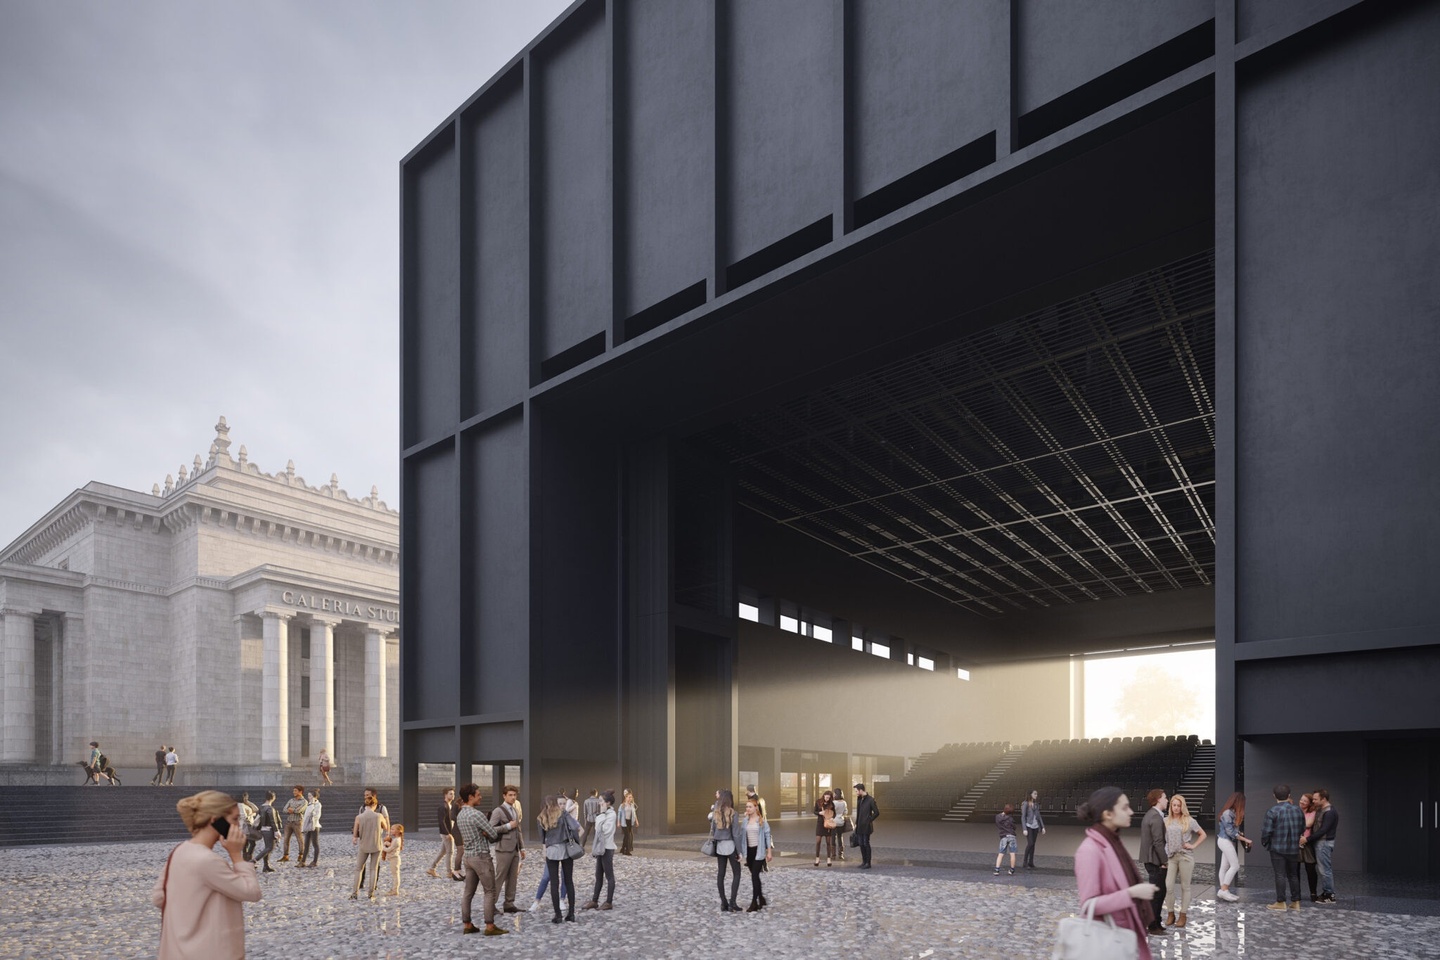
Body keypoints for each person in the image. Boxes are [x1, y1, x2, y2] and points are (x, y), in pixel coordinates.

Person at [152, 790, 262, 960]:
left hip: (178, 950)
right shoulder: (208, 861)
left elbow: (159, 897)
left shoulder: (179, 851)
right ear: (215, 821)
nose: (238, 826)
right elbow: (251, 892)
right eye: (234, 819)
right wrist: (236, 856)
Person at [1072, 786, 1157, 960]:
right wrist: (1132, 893)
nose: (1131, 812)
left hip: (1125, 936)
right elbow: (1088, 905)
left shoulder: (1112, 843)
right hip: (1109, 943)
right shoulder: (1090, 850)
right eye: (1125, 807)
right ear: (1108, 814)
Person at [458, 781, 512, 934]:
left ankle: (467, 925)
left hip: (468, 857)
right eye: (478, 795)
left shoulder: (461, 814)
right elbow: (493, 834)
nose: (481, 797)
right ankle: (490, 926)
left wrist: (484, 833)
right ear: (470, 797)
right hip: (481, 857)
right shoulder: (477, 814)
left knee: (468, 893)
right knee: (490, 891)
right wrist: (489, 832)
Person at [1162, 793, 1206, 927]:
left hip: (1185, 856)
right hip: (1171, 857)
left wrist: (1193, 845)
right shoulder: (1165, 820)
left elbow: (1202, 834)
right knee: (1168, 886)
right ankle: (1170, 913)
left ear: (1182, 806)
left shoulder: (1189, 820)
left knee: (1185, 887)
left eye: (1178, 805)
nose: (1176, 808)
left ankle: (1183, 915)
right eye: (1174, 805)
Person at [538, 792, 582, 923]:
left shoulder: (541, 817)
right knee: (568, 881)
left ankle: (557, 915)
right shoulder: (563, 814)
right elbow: (575, 826)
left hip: (551, 851)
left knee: (554, 883)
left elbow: (542, 838)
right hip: (566, 850)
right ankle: (571, 913)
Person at [1260, 783, 1304, 911]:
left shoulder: (1272, 811)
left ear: (1274, 796)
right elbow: (1302, 828)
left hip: (1277, 848)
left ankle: (1281, 902)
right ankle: (1296, 902)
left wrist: (1266, 844)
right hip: (1293, 848)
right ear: (1289, 795)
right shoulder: (1297, 810)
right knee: (1293, 875)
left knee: (1280, 875)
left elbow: (1266, 832)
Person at [490, 784, 527, 913]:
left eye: (514, 795)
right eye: (510, 795)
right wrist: (507, 826)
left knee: (513, 878)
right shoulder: (498, 811)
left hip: (515, 848)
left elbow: (519, 830)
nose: (512, 797)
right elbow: (490, 829)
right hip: (503, 849)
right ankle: (491, 904)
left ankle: (509, 903)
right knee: (500, 877)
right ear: (504, 796)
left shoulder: (515, 810)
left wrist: (522, 848)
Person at [710, 788, 746, 912]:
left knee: (721, 874)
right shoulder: (733, 813)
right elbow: (736, 834)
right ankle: (732, 903)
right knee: (737, 873)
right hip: (731, 846)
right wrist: (740, 852)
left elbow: (714, 831)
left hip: (720, 846)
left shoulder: (716, 813)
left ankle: (723, 903)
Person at [1139, 788, 1169, 935]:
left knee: (1160, 892)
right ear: (1158, 799)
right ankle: (1152, 925)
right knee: (1157, 894)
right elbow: (1158, 842)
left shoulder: (1151, 814)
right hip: (1155, 861)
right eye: (1165, 798)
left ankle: (1156, 921)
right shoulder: (1156, 817)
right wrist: (1165, 861)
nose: (1167, 800)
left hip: (1152, 859)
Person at [350, 791, 389, 901]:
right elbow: (385, 827)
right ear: (375, 805)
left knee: (358, 868)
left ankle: (354, 893)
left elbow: (355, 833)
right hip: (376, 844)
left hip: (364, 845)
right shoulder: (379, 815)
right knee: (373, 868)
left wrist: (355, 839)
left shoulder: (359, 817)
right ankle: (371, 893)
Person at [1300, 788, 1338, 903]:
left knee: (1325, 870)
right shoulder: (1323, 810)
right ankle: (1327, 892)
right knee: (1324, 869)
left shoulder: (1329, 812)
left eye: (1316, 799)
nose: (1314, 801)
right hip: (1321, 843)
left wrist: (1307, 839)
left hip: (1324, 843)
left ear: (1324, 799)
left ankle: (1329, 895)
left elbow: (1323, 830)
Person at [583, 789, 617, 911]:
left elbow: (604, 831)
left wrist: (602, 815)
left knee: (609, 876)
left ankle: (609, 902)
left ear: (608, 803)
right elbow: (598, 829)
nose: (599, 803)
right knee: (598, 875)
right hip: (600, 848)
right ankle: (595, 900)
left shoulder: (611, 815)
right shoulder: (603, 814)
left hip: (607, 849)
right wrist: (601, 817)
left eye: (601, 801)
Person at [1215, 792, 1251, 902]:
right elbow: (1230, 832)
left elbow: (1233, 831)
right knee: (1235, 866)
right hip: (1225, 841)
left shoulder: (1232, 813)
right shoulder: (1227, 813)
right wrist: (1245, 839)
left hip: (1227, 841)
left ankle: (1224, 891)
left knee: (1224, 867)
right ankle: (1224, 890)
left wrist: (1240, 834)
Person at [740, 797, 773, 912]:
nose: (747, 809)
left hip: (758, 852)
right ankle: (761, 898)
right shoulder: (745, 821)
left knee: (754, 876)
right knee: (755, 877)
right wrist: (740, 853)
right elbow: (742, 837)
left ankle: (754, 902)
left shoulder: (762, 821)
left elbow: (767, 836)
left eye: (750, 806)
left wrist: (769, 852)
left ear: (755, 808)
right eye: (746, 807)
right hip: (749, 852)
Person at [429, 788, 462, 880]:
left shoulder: (449, 805)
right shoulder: (442, 806)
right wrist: (447, 833)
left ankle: (432, 868)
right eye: (450, 794)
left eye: (453, 794)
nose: (452, 796)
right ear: (445, 795)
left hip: (448, 832)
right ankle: (449, 872)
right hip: (446, 833)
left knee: (443, 851)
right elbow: (441, 821)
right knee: (450, 852)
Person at [1298, 793, 1320, 901]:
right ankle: (1296, 894)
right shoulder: (1296, 811)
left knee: (1310, 869)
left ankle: (1313, 893)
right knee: (1294, 870)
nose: (1301, 802)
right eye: (1301, 800)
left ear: (1309, 803)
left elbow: (1309, 824)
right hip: (1295, 843)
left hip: (1306, 843)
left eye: (1305, 801)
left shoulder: (1312, 812)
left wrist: (1295, 823)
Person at [853, 783, 879, 869]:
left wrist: (869, 820)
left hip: (866, 826)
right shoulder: (859, 799)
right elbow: (859, 813)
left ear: (861, 790)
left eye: (856, 791)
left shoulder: (871, 800)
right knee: (861, 844)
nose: (856, 793)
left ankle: (868, 863)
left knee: (865, 843)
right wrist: (856, 824)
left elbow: (876, 812)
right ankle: (864, 862)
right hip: (859, 825)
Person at [279, 785, 308, 863]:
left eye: (295, 791)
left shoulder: (304, 801)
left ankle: (301, 855)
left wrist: (292, 810)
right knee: (286, 839)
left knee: (300, 839)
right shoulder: (291, 800)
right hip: (289, 822)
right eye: (293, 791)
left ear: (300, 791)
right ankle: (285, 856)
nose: (294, 792)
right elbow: (284, 809)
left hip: (298, 822)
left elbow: (300, 810)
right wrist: (292, 810)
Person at [253, 791, 281, 872]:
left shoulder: (261, 807)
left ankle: (266, 866)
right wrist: (276, 831)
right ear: (273, 798)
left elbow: (258, 820)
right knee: (269, 847)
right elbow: (273, 821)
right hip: (269, 830)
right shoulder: (270, 808)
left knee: (267, 847)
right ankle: (253, 861)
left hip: (263, 829)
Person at [1021, 789, 1046, 869]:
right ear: (1030, 794)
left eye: (1036, 794)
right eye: (1035, 794)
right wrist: (1024, 828)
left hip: (1036, 826)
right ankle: (1025, 862)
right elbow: (1023, 817)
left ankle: (1031, 862)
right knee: (1030, 843)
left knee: (1033, 844)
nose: (1036, 795)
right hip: (1029, 826)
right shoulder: (1025, 804)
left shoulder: (1036, 804)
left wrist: (1042, 827)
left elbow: (1039, 816)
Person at [813, 789, 836, 866]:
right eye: (826, 797)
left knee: (828, 842)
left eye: (829, 798)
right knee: (818, 841)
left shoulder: (831, 804)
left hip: (828, 824)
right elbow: (814, 811)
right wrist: (820, 812)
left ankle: (828, 858)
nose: (827, 799)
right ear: (824, 796)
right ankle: (817, 858)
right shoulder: (818, 802)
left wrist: (832, 818)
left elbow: (834, 813)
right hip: (820, 823)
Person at [300, 789, 322, 868]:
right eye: (308, 796)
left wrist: (312, 806)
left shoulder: (317, 805)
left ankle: (315, 861)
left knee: (315, 844)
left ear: (315, 797)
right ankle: (303, 861)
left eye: (310, 796)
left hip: (314, 826)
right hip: (308, 826)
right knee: (306, 844)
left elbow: (316, 815)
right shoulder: (309, 804)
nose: (309, 797)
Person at [994, 803, 1018, 876]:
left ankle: (997, 870)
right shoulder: (1010, 819)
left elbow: (998, 825)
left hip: (1003, 836)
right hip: (1011, 836)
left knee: (1000, 854)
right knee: (1012, 853)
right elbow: (1014, 827)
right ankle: (1012, 870)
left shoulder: (997, 817)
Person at [382, 823, 405, 895]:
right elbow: (392, 846)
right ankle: (394, 889)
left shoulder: (396, 840)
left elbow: (389, 850)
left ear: (398, 831)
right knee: (395, 874)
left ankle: (395, 890)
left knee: (395, 875)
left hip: (394, 859)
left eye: (392, 829)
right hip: (393, 859)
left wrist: (381, 846)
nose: (391, 830)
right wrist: (388, 844)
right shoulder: (396, 839)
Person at [617, 789, 639, 855]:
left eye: (631, 797)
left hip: (630, 822)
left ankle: (623, 848)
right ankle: (627, 851)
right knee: (627, 836)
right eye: (629, 797)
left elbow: (634, 814)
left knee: (626, 836)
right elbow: (619, 814)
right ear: (626, 797)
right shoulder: (622, 805)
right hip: (624, 822)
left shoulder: (632, 805)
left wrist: (637, 821)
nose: (630, 798)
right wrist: (618, 822)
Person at [831, 788, 849, 861]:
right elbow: (845, 812)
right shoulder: (844, 802)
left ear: (835, 794)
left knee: (833, 838)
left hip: (833, 822)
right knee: (840, 837)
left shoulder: (833, 803)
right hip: (841, 822)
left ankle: (833, 855)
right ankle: (841, 854)